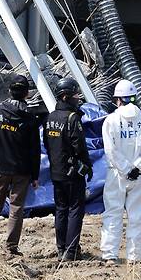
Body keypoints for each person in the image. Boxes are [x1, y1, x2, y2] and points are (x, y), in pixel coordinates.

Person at [100, 79, 141, 265]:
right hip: (140, 175)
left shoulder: (110, 120)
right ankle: (134, 256)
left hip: (117, 174)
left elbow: (110, 150)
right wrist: (138, 166)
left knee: (113, 212)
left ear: (118, 99)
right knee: (137, 215)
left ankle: (110, 254)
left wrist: (126, 168)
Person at [0, 74, 41, 257]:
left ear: (9, 90)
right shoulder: (29, 118)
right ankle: (11, 247)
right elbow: (34, 150)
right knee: (16, 209)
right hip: (22, 170)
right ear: (26, 94)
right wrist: (35, 175)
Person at [43, 77, 92, 262]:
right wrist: (87, 166)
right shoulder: (72, 118)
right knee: (75, 210)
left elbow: (47, 144)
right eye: (75, 95)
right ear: (65, 97)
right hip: (72, 173)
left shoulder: (50, 118)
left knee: (61, 210)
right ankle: (71, 251)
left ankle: (61, 247)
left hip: (56, 172)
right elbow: (80, 147)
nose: (78, 98)